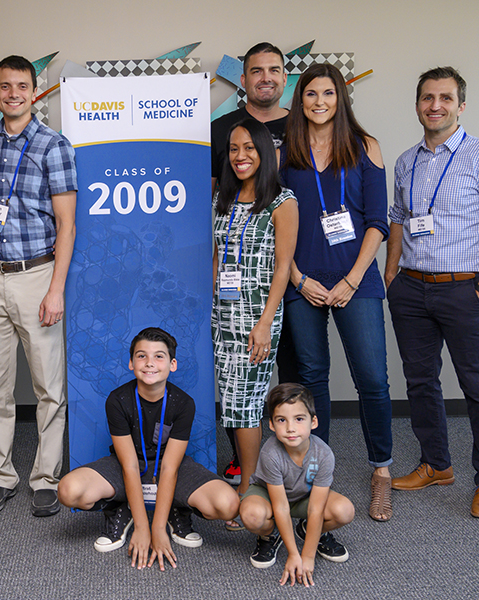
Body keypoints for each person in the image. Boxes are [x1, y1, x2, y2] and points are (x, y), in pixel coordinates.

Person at [280, 63, 394, 522]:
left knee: (372, 379)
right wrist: (298, 279)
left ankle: (381, 473)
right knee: (313, 379)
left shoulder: (366, 147)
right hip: (302, 281)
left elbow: (377, 222)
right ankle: (316, 472)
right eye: (311, 94)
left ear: (340, 98)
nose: (320, 101)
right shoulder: (285, 152)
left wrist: (350, 280)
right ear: (300, 99)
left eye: (328, 93)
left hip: (356, 279)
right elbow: (274, 224)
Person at [0, 55, 77, 517]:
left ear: (35, 92)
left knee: (47, 385)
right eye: (5, 86)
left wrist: (56, 289)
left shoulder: (55, 145)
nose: (13, 93)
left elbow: (67, 225)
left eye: (22, 86)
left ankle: (46, 477)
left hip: (36, 275)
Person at [57, 328, 240, 570]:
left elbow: (170, 467)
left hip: (170, 466)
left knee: (228, 504)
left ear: (172, 364)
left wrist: (158, 529)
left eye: (159, 356)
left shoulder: (183, 403)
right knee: (68, 491)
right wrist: (143, 528)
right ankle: (121, 509)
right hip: (127, 464)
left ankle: (178, 508)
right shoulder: (118, 400)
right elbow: (130, 465)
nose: (150, 363)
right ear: (131, 363)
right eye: (142, 356)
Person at [385, 67, 479, 517]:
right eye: (427, 97)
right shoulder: (407, 160)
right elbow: (399, 218)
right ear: (418, 103)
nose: (434, 105)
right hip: (412, 289)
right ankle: (436, 464)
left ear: (461, 105)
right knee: (421, 382)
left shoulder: (477, 155)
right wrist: (391, 275)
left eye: (445, 97)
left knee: (476, 385)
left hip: (465, 289)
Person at [210, 42, 296, 487]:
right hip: (220, 312)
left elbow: (283, 268)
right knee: (226, 397)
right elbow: (217, 255)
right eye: (233, 149)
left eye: (249, 148)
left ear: (265, 151)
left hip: (256, 314)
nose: (241, 155)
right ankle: (246, 474)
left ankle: (248, 486)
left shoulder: (282, 201)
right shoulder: (223, 199)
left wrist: (264, 323)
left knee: (245, 400)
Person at [240, 384, 354, 586]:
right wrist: (293, 554)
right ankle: (271, 535)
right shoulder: (270, 453)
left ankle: (309, 530)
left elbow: (316, 507)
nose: (290, 428)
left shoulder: (324, 454)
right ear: (272, 425)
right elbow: (281, 506)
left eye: (299, 419)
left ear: (313, 422)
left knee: (344, 510)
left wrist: (307, 556)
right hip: (270, 495)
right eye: (281, 420)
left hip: (304, 496)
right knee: (251, 515)